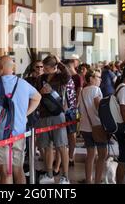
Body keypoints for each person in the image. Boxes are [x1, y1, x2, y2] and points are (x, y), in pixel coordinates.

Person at [0, 56, 41, 184]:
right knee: (18, 170)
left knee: (6, 174)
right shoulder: (23, 83)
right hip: (19, 133)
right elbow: (37, 97)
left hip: (1, 135)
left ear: (1, 68)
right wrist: (26, 113)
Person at [36, 55, 71, 184]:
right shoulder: (40, 79)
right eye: (43, 67)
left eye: (46, 68)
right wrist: (41, 92)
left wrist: (60, 62)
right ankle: (49, 174)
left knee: (61, 145)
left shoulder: (60, 77)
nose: (43, 70)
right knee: (46, 146)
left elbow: (68, 75)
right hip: (44, 115)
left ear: (54, 67)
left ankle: (65, 176)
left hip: (57, 114)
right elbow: (36, 94)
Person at [78, 69, 108, 184]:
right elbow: (99, 108)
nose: (100, 79)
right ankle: (97, 180)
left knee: (90, 155)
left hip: (85, 127)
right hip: (97, 127)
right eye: (98, 77)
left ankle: (88, 179)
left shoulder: (82, 91)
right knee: (102, 155)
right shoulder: (96, 90)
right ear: (91, 78)